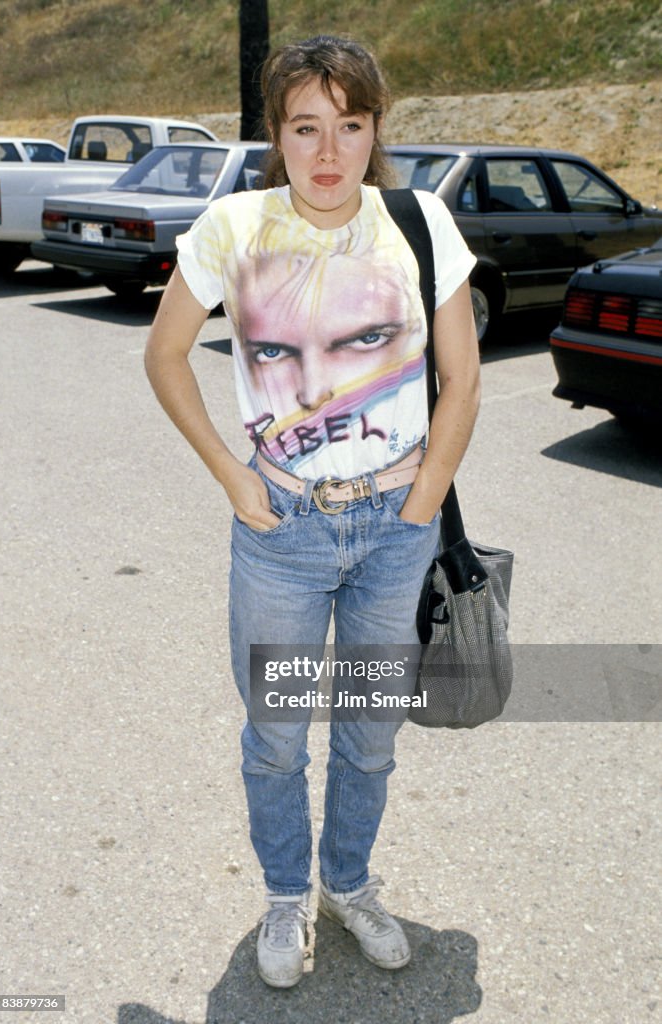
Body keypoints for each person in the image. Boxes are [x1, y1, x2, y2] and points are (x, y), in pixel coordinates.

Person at [144, 34, 480, 989]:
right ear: (275, 133)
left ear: (374, 130)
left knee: (369, 738)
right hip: (280, 535)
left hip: (393, 533)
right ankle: (287, 894)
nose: (327, 152)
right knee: (279, 736)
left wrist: (421, 500)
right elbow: (166, 356)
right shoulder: (232, 229)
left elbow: (462, 380)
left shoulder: (417, 224)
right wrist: (232, 476)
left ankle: (349, 883)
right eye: (305, 128)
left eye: (349, 125)